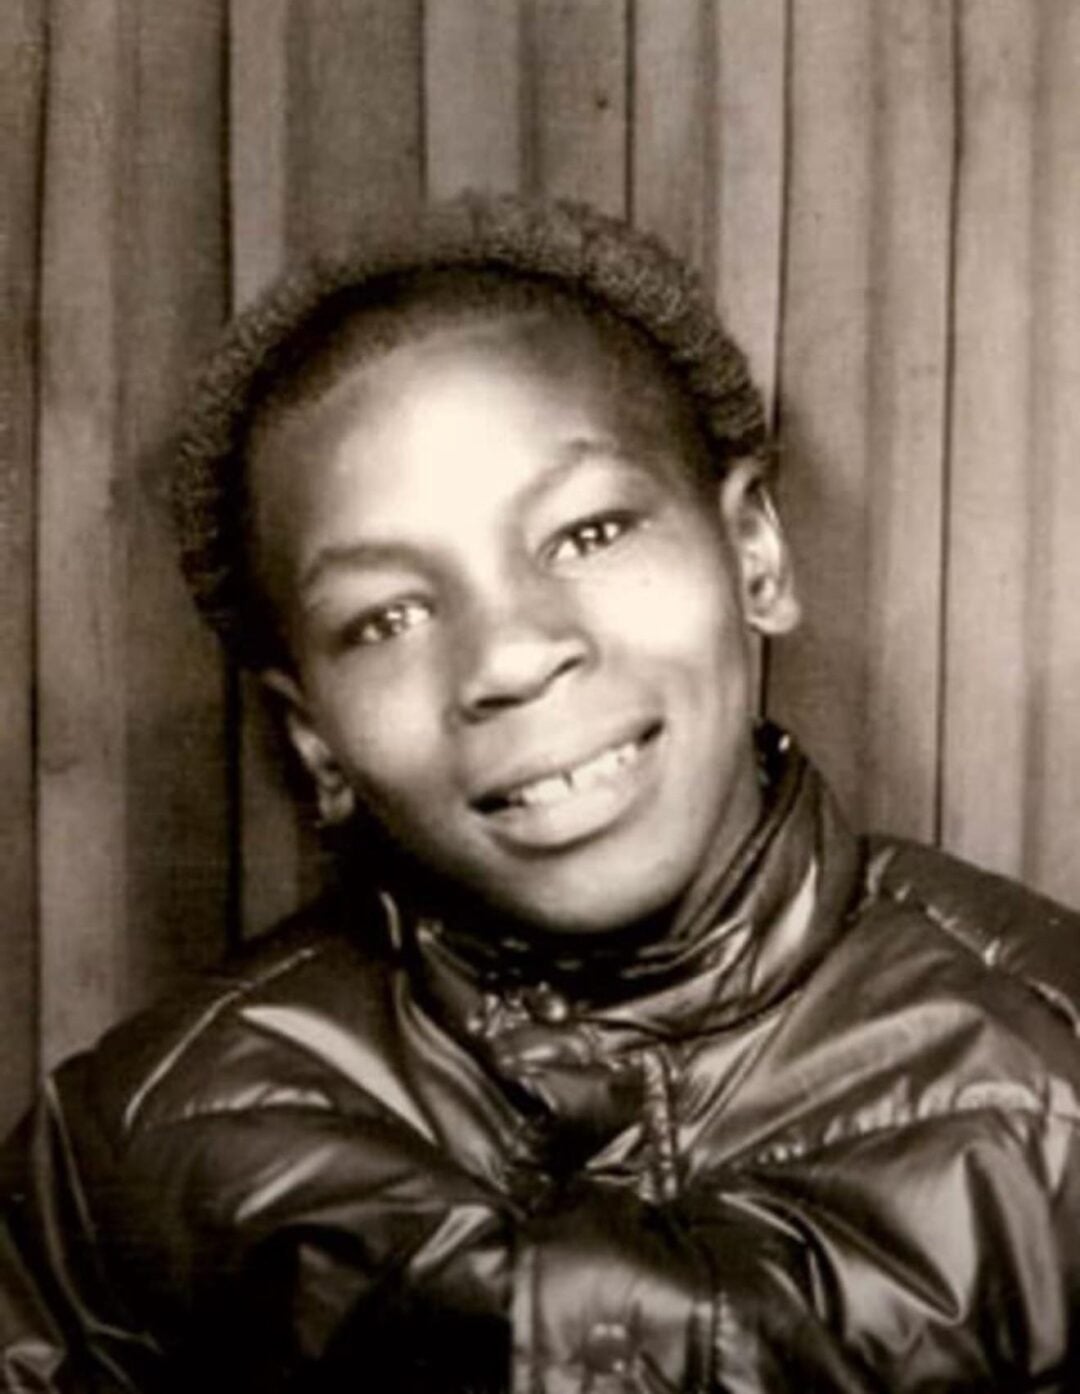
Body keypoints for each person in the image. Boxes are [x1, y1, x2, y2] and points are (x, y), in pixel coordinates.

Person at [3, 193, 1080, 1394]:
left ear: (755, 554)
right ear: (312, 737)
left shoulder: (1055, 1058)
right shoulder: (136, 1150)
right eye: (388, 617)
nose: (511, 655)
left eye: (589, 531)